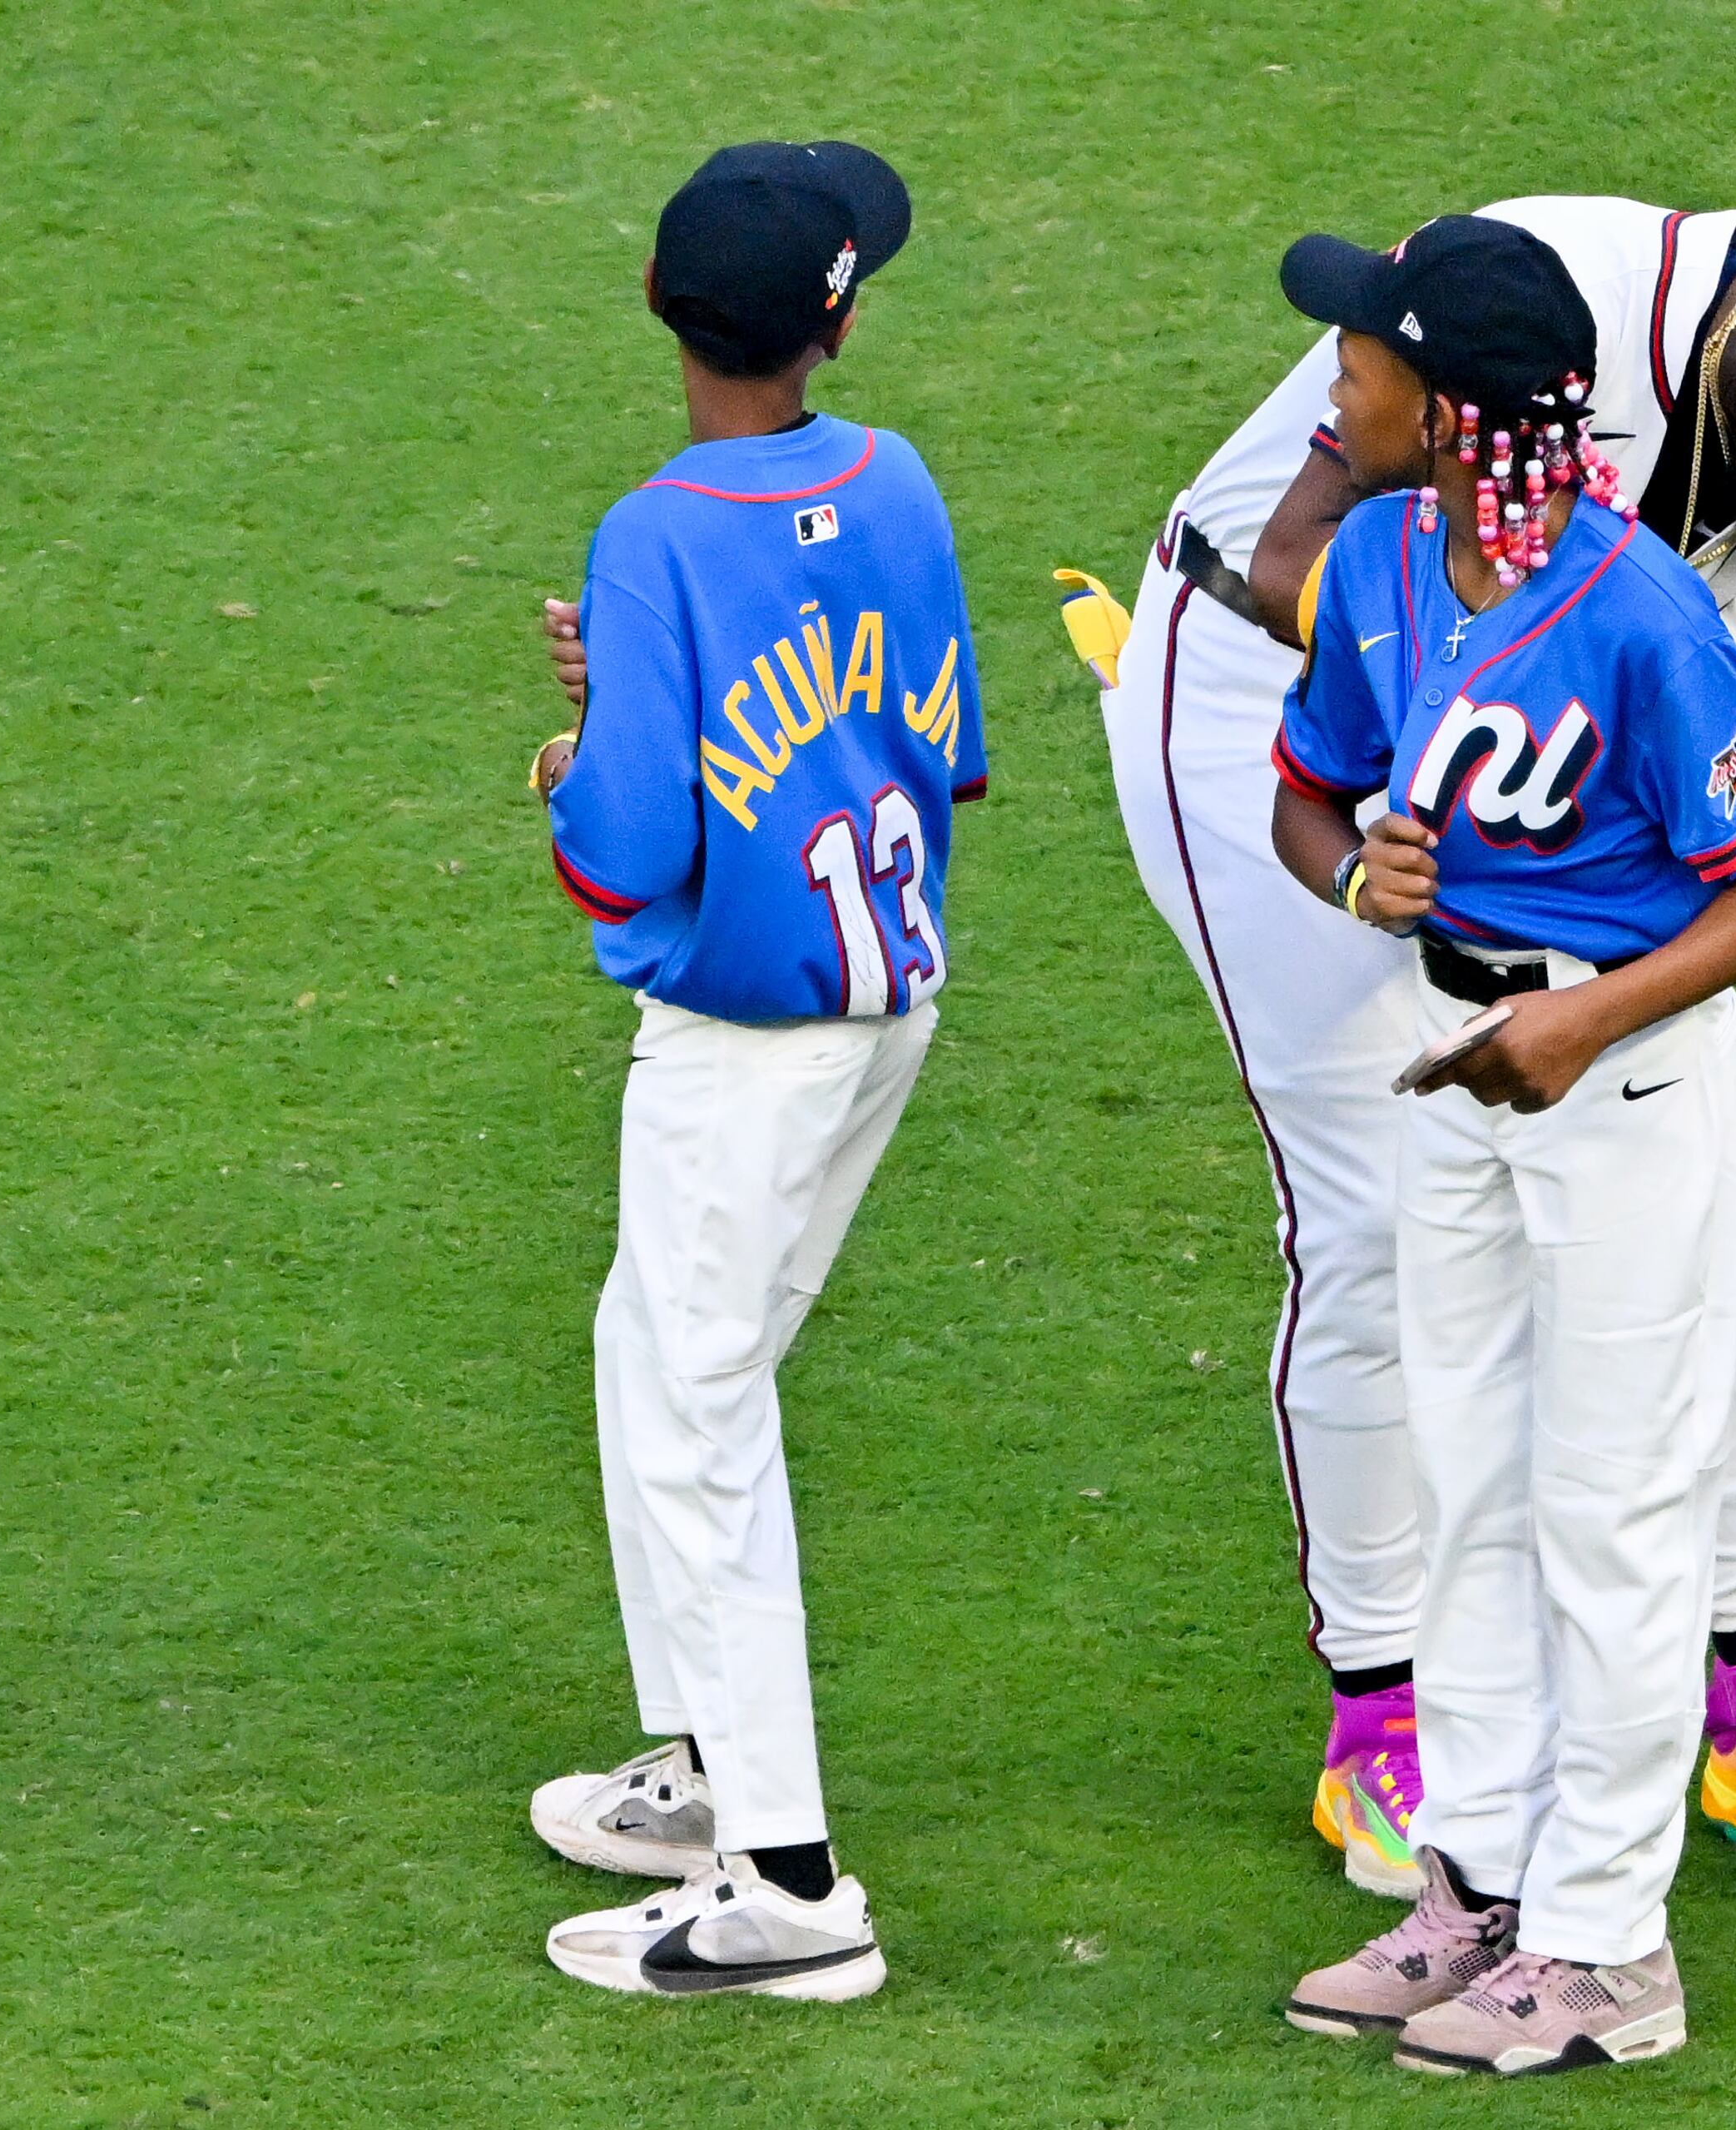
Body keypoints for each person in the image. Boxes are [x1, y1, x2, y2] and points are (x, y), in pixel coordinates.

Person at [547, 196, 1736, 1897]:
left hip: (1518, 724)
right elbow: (1313, 574)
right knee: (1376, 1203)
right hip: (1256, 710)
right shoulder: (1543, 298)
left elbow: (1693, 693)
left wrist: (1653, 833)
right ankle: (1385, 1720)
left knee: (1684, 1168)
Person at [1264, 216, 1736, 2077]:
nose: (1332, 384)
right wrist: (1355, 868)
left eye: (1361, 361)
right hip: (1452, 1054)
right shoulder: (1370, 559)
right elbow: (1301, 785)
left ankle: (1609, 1943)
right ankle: (1483, 1887)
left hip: (1625, 1070)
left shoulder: (1640, 610)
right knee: (1471, 1480)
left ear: (1451, 406)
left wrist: (1584, 1021)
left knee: (1611, 1496)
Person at [520, 139, 985, 2003]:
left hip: (738, 1044)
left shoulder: (651, 535)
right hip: (883, 1014)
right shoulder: (901, 481)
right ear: (838, 320)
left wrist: (585, 745)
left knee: (697, 1412)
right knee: (659, 1351)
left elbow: (621, 855)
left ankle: (787, 1883)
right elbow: (926, 750)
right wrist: (653, 680)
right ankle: (706, 1763)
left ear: (655, 302)